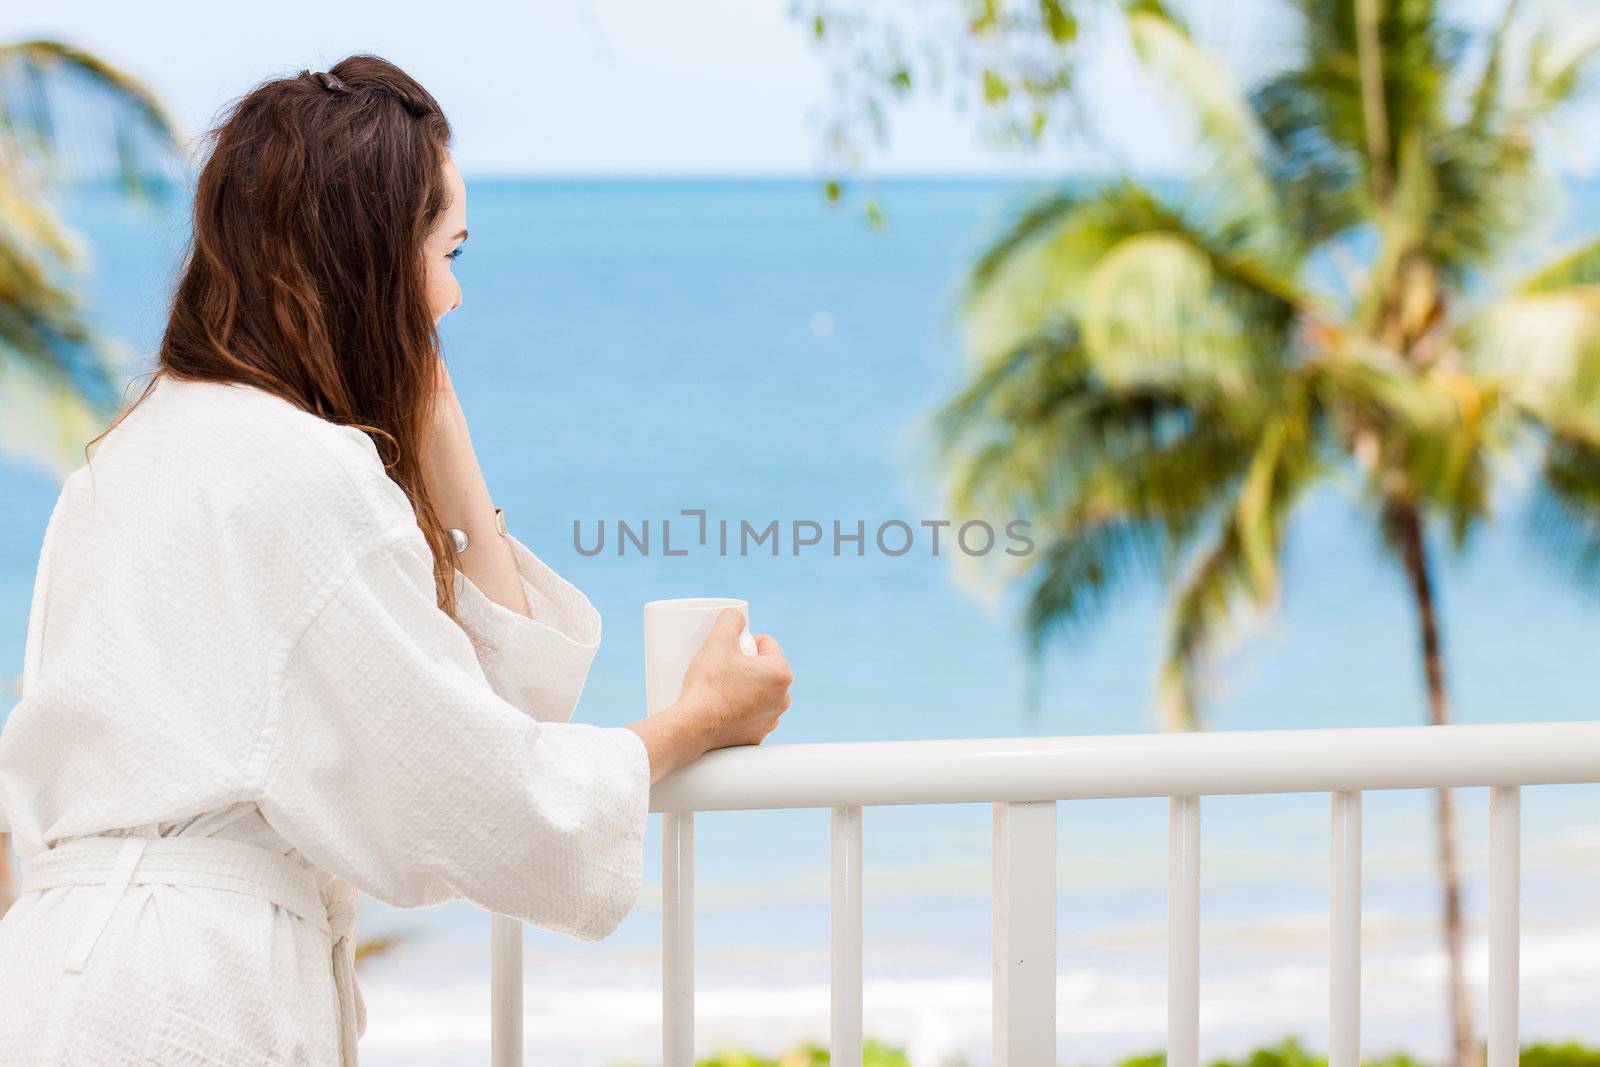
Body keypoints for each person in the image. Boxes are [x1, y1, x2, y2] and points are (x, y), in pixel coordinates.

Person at [0, 54, 793, 1065]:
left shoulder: (132, 455)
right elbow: (487, 789)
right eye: (448, 251)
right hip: (183, 997)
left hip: (51, 975)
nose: (453, 297)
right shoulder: (302, 476)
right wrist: (697, 720)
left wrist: (444, 435)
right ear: (371, 258)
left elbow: (475, 718)